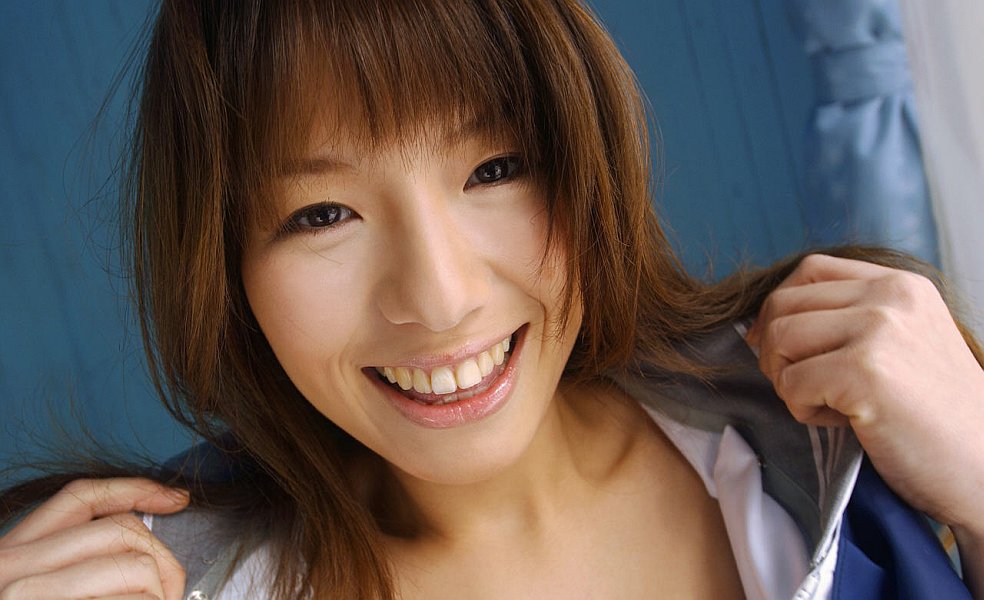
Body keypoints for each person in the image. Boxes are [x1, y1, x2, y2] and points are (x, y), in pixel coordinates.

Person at [1, 1, 983, 598]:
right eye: (323, 215)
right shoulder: (164, 584)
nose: (439, 300)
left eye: (496, 168)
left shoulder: (835, 412)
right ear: (225, 268)